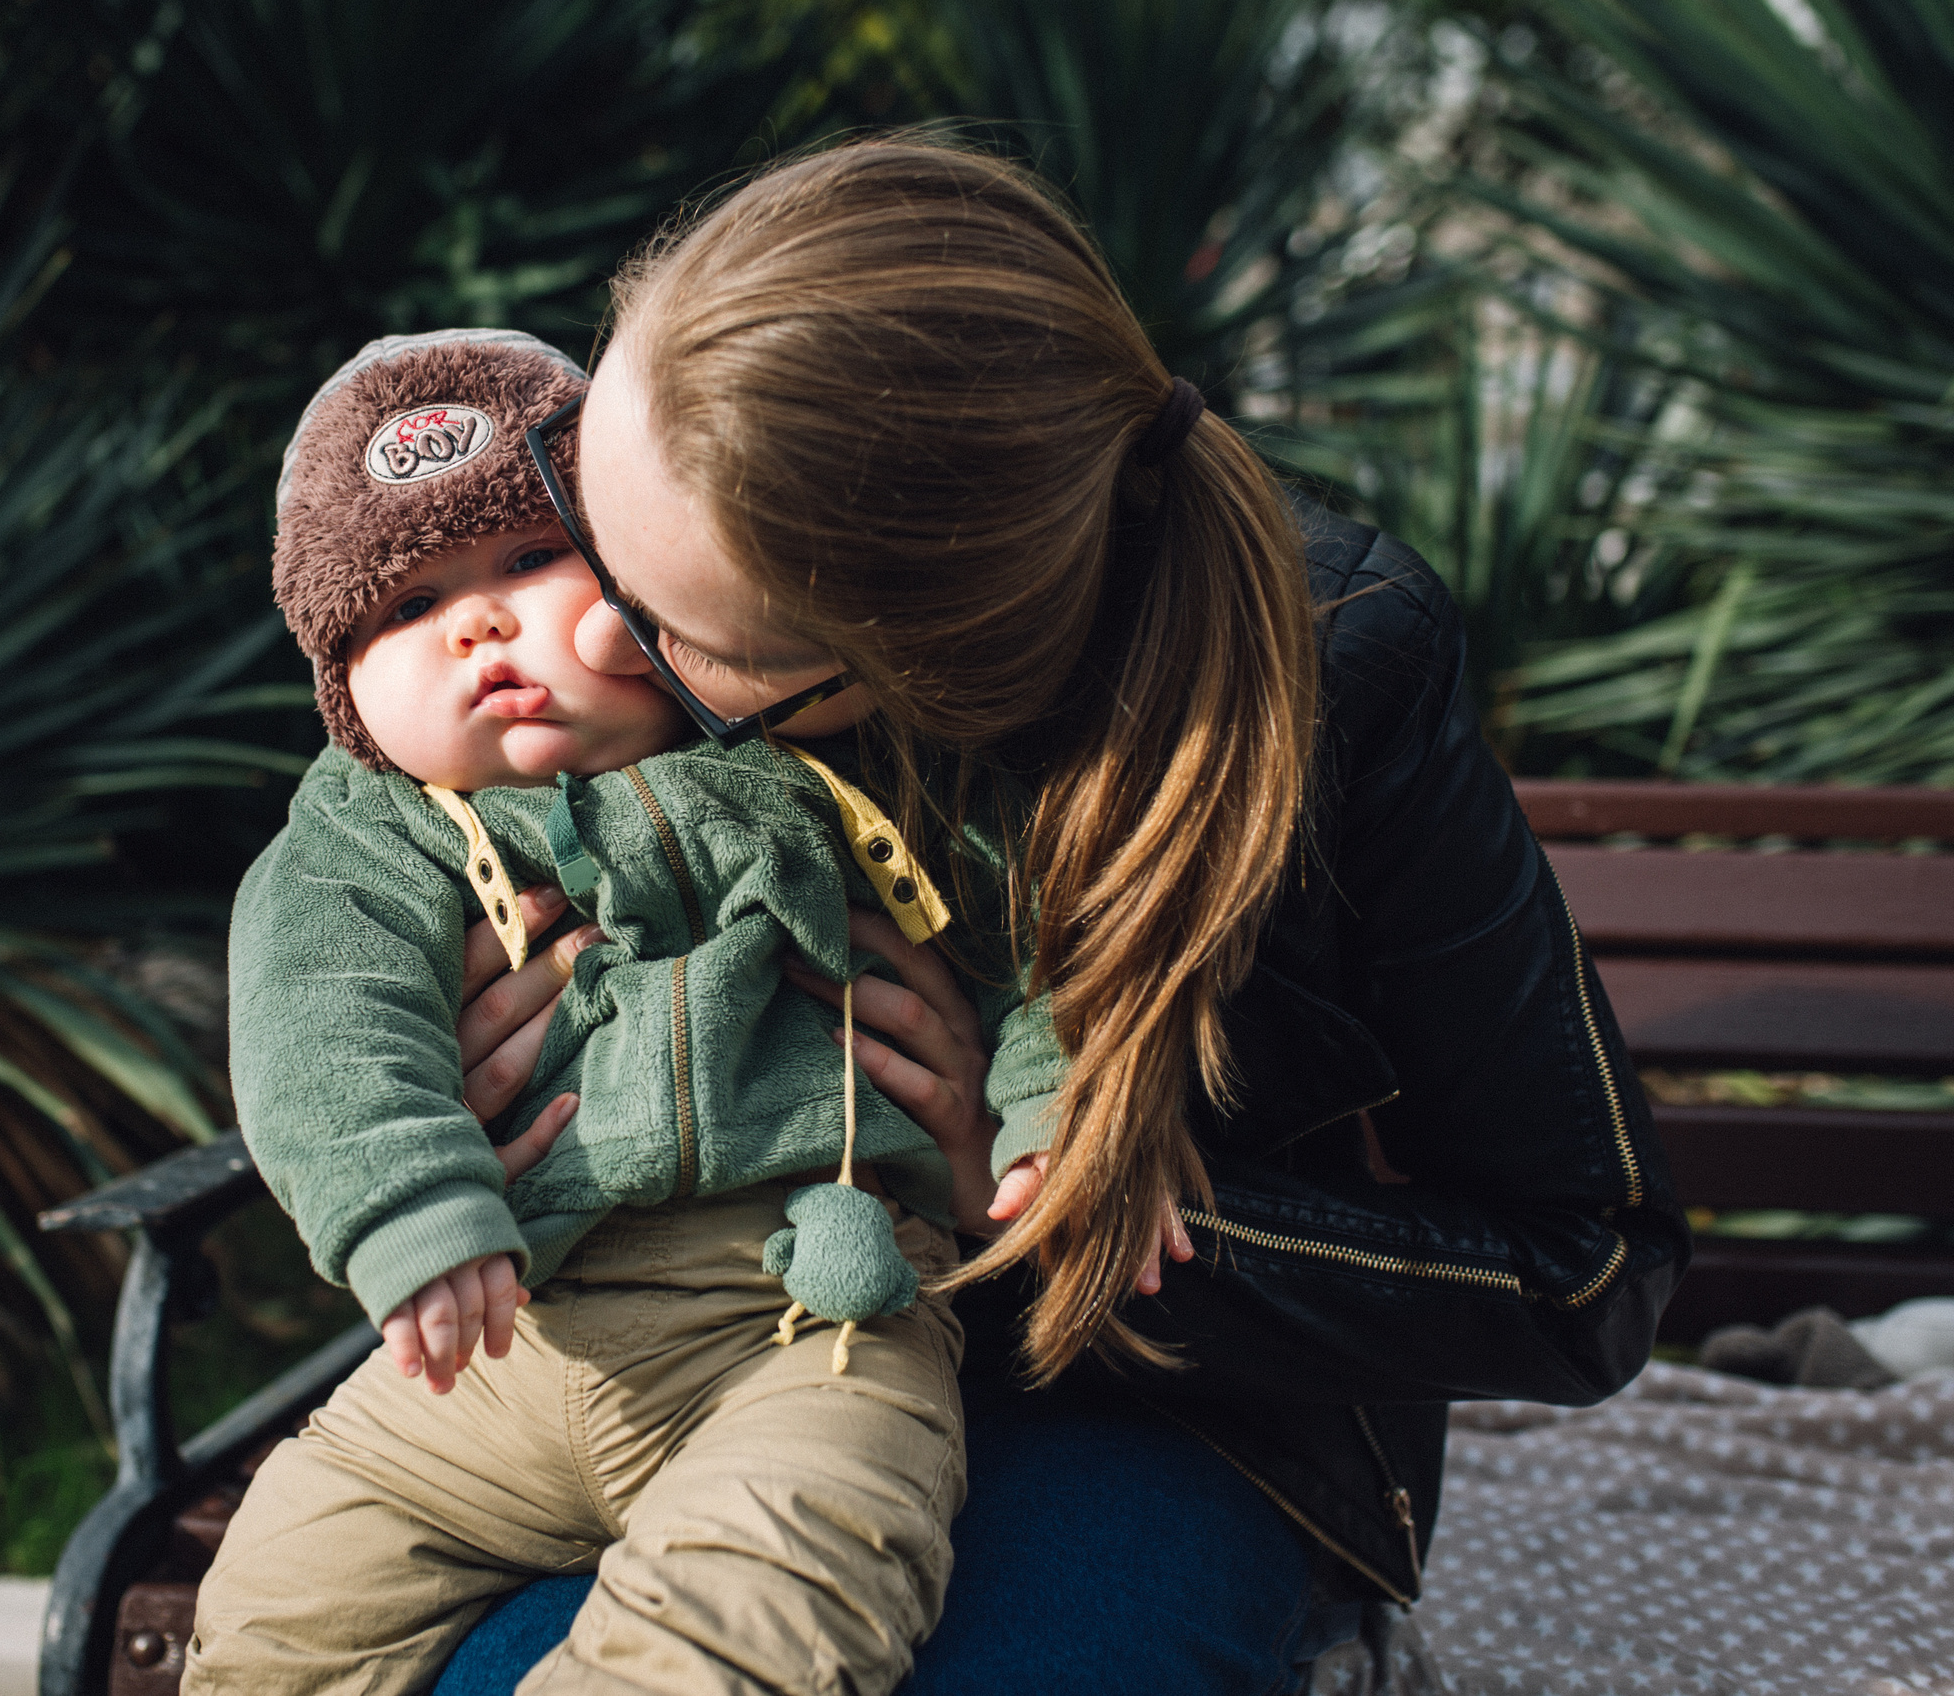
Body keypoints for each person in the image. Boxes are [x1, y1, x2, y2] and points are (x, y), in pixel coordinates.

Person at [428, 139, 1694, 1693]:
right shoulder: (669, 560)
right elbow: (356, 947)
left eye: (690, 641)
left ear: (925, 668)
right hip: (693, 1350)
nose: (597, 645)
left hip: (1133, 1411)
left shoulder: (1340, 674)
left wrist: (1039, 1193)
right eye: (576, 518)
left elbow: (1586, 1267)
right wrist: (448, 1118)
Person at [187, 328, 1097, 1695]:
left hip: (797, 1323)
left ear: (647, 566)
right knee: (280, 1600)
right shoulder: (369, 840)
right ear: (346, 694)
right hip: (487, 1358)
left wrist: (1051, 1120)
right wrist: (409, 1208)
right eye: (403, 606)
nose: (476, 624)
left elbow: (1031, 946)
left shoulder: (816, 753)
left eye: (524, 560)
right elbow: (322, 1024)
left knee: (787, 1577)